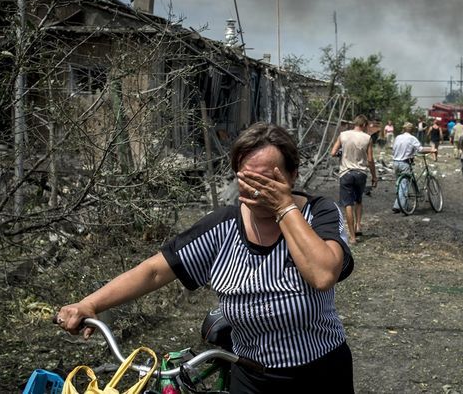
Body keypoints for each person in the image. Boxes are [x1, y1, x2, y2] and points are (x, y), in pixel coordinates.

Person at [56, 123, 355, 394]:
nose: (256, 191)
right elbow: (155, 270)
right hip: (251, 374)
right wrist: (90, 304)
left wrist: (284, 208)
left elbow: (322, 275)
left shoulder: (319, 214)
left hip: (321, 372)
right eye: (247, 180)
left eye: (267, 181)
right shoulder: (223, 227)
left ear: (292, 175)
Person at [331, 115, 378, 244]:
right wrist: (374, 176)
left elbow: (333, 152)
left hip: (346, 173)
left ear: (355, 123)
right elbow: (370, 160)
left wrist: (342, 153)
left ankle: (352, 237)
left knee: (348, 204)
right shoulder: (367, 138)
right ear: (364, 125)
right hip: (361, 173)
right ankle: (358, 226)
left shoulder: (343, 135)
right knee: (358, 200)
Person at [392, 122, 437, 213]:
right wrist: (431, 150)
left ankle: (400, 203)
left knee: (400, 185)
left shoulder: (398, 137)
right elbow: (420, 149)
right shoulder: (412, 138)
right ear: (412, 130)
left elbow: (394, 148)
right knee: (404, 185)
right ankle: (399, 206)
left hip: (395, 162)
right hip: (404, 163)